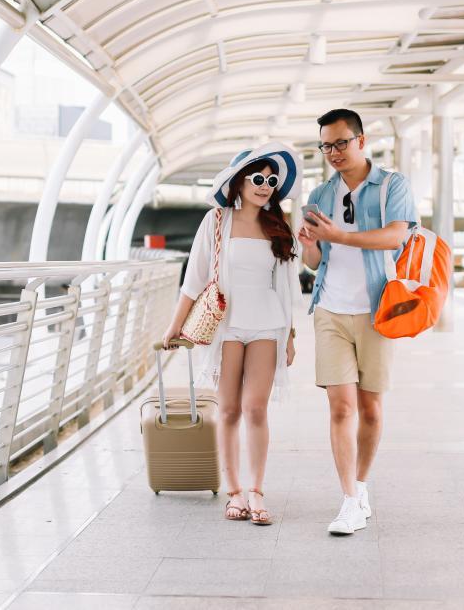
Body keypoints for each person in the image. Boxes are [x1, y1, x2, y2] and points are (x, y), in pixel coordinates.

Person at [163, 143, 302, 526]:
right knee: (227, 410)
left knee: (256, 408)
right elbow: (194, 278)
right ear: (239, 181)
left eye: (271, 181)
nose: (265, 186)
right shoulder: (216, 221)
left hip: (267, 323)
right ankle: (235, 491)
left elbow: (287, 283)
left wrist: (290, 334)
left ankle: (256, 490)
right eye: (258, 178)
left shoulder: (278, 225)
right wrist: (175, 326)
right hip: (226, 326)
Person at [297, 109, 417, 535]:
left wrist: (339, 236)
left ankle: (361, 486)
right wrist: (310, 245)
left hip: (377, 308)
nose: (333, 152)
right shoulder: (319, 196)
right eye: (326, 146)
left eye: (341, 143)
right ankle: (349, 499)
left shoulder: (391, 185)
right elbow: (314, 263)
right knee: (341, 406)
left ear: (361, 141)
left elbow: (395, 236)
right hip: (330, 309)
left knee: (370, 407)